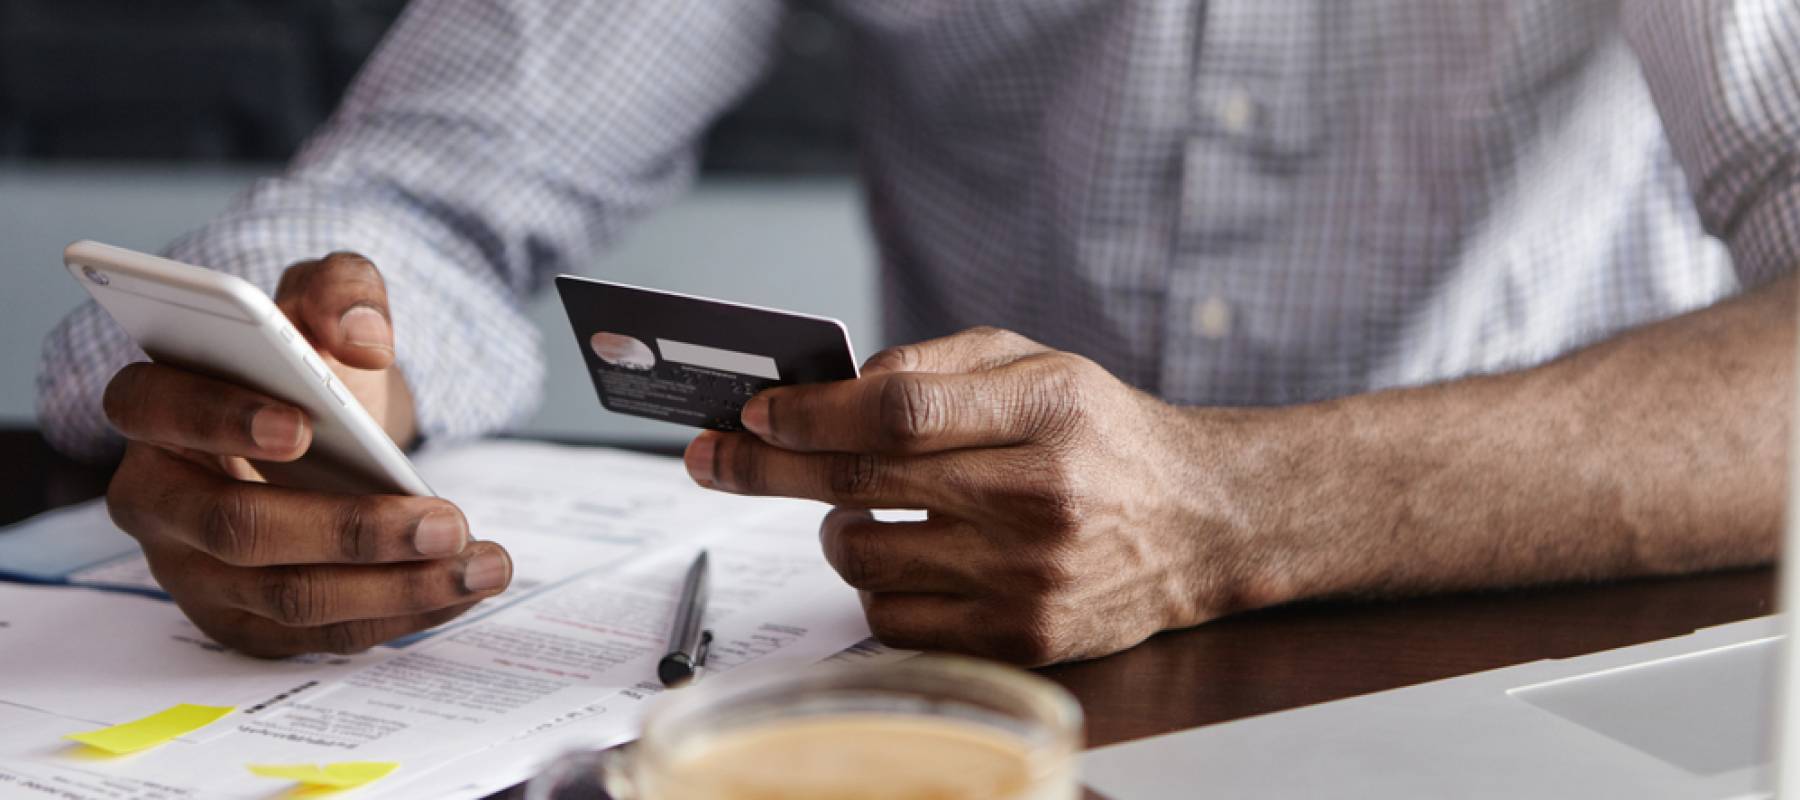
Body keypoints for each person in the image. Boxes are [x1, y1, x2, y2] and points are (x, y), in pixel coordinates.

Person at [37, 1, 1798, 665]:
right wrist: (308, 374)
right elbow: (432, 189)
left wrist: (1227, 509)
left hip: (1552, 663)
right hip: (955, 684)